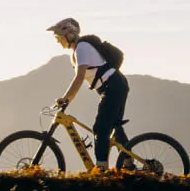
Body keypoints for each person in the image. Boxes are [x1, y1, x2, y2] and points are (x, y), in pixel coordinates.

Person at [48, 17, 130, 171]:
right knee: (114, 126)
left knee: (100, 128)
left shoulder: (82, 48)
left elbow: (79, 78)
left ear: (70, 35)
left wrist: (66, 98)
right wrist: (68, 99)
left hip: (113, 87)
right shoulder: (78, 51)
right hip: (115, 85)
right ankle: (128, 164)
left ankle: (101, 170)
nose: (58, 41)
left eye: (59, 37)